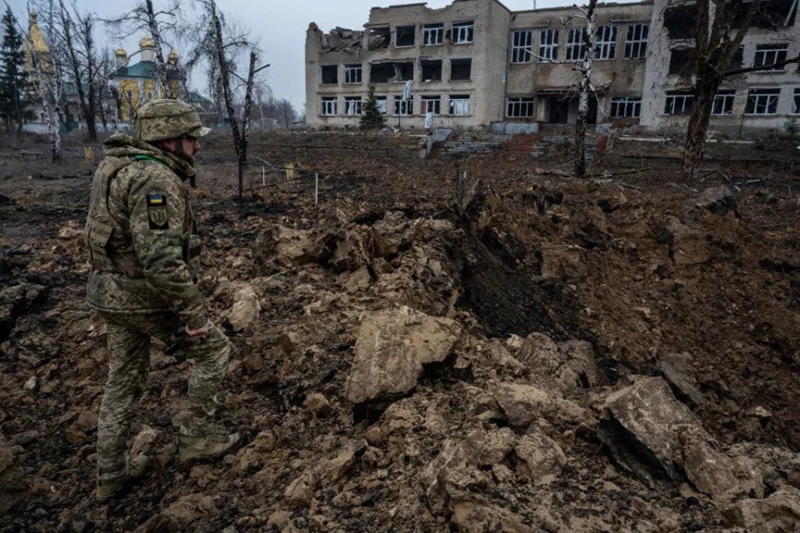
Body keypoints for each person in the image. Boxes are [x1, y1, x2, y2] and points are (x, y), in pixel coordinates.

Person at [85, 99, 239, 501]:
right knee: (214, 351)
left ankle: (109, 477)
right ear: (169, 140)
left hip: (109, 293)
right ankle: (195, 440)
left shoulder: (115, 166)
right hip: (141, 296)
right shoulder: (155, 180)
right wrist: (195, 315)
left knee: (121, 382)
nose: (198, 146)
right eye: (191, 138)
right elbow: (161, 260)